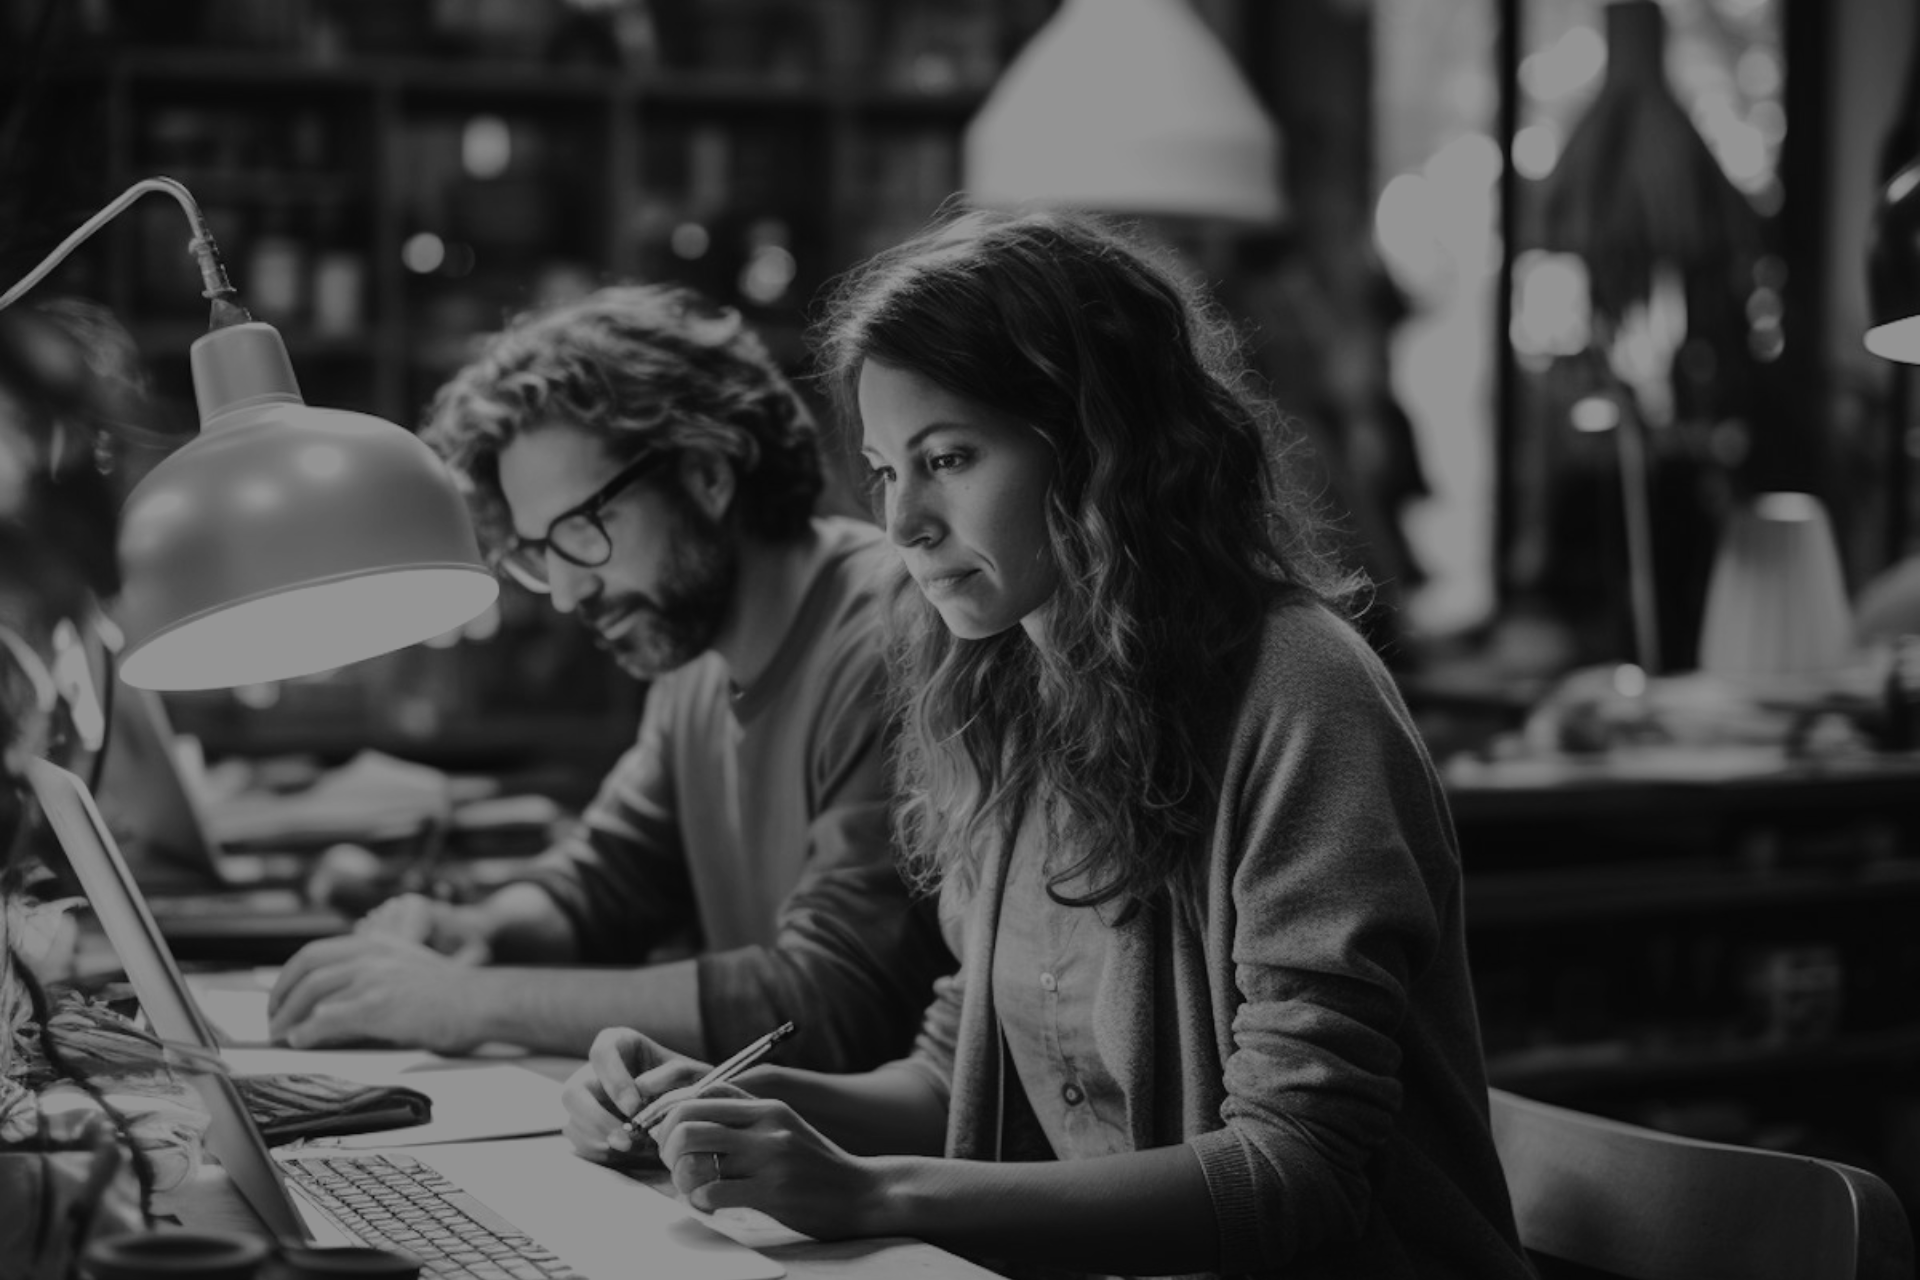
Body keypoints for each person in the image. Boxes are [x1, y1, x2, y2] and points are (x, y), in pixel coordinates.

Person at [559, 210, 1535, 1280]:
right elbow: (965, 1076)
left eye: (950, 457)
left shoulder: (1305, 694)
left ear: (1097, 443)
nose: (904, 522)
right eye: (887, 469)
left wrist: (868, 1191)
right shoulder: (999, 690)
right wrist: (737, 1098)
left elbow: (1295, 1169)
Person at [266, 284, 953, 1069]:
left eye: (582, 531)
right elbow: (606, 884)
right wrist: (481, 933)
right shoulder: (694, 664)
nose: (565, 593)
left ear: (706, 473)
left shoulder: (891, 639)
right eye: (538, 554)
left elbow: (832, 1002)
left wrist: (460, 1003)